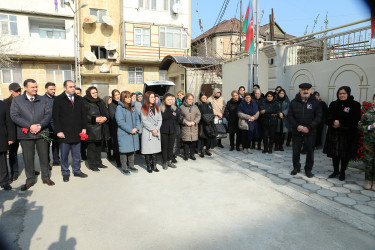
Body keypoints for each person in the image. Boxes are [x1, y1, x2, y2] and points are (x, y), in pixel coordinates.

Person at [10, 79, 55, 191]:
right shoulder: (17, 101)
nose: (35, 89)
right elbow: (14, 116)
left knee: (44, 157)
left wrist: (39, 126)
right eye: (32, 87)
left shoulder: (43, 100)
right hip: (26, 135)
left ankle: (46, 177)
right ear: (25, 88)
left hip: (42, 133)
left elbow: (48, 115)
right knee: (28, 158)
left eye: (36, 87)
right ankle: (30, 180)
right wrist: (30, 126)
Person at [53, 80, 88, 182]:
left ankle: (77, 171)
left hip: (77, 132)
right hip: (64, 133)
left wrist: (84, 128)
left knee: (76, 155)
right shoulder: (59, 99)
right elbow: (56, 117)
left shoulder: (79, 99)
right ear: (65, 88)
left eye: (74, 86)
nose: (73, 88)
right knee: (64, 155)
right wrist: (58, 131)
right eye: (70, 87)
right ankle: (65, 172)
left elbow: (83, 115)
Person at [324, 86, 361, 181]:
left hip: (347, 134)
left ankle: (342, 172)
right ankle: (335, 171)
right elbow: (327, 116)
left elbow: (355, 119)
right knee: (335, 154)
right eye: (340, 93)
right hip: (334, 134)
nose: (342, 95)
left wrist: (341, 124)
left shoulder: (355, 105)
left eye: (344, 93)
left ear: (348, 94)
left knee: (345, 155)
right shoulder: (333, 104)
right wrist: (333, 122)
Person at [288, 83, 322, 178]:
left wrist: (309, 127)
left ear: (310, 90)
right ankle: (296, 167)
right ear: (300, 90)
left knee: (310, 152)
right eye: (303, 89)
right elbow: (290, 116)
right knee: (296, 151)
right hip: (297, 131)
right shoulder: (294, 102)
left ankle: (308, 169)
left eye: (307, 89)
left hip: (310, 132)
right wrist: (297, 126)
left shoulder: (315, 102)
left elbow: (319, 117)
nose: (305, 91)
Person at [83, 86, 110, 172]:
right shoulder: (84, 101)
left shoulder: (100, 101)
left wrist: (105, 118)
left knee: (99, 147)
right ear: (89, 94)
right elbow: (83, 116)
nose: (95, 94)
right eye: (93, 93)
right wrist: (94, 119)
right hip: (91, 129)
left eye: (96, 92)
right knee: (91, 148)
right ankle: (92, 165)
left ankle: (99, 163)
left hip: (101, 128)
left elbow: (106, 112)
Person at [115, 91, 140, 175]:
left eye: (130, 97)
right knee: (124, 151)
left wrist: (137, 127)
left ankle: (131, 165)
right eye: (127, 97)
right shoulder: (119, 108)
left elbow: (137, 118)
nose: (129, 99)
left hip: (133, 132)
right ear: (123, 98)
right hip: (124, 133)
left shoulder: (133, 107)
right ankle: (124, 167)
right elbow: (120, 121)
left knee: (132, 151)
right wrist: (130, 129)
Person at [140, 91, 162, 173]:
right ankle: (149, 166)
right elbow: (144, 121)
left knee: (154, 150)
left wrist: (156, 129)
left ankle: (154, 165)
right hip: (148, 132)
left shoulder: (157, 108)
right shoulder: (143, 108)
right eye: (152, 97)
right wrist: (153, 129)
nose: (154, 99)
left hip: (156, 131)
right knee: (148, 151)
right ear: (147, 98)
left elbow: (160, 119)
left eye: (154, 97)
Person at [4, 82, 22, 181]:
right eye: (17, 91)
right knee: (13, 153)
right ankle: (14, 171)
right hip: (13, 132)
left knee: (28, 152)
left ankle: (30, 169)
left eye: (20, 90)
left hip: (24, 131)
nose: (19, 93)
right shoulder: (6, 103)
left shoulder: (24, 100)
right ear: (11, 91)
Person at [358, 94, 375, 190]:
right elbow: (360, 126)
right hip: (369, 142)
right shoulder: (368, 113)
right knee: (368, 161)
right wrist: (370, 127)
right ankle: (368, 180)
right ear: (373, 100)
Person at [160, 93, 180, 169]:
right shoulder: (161, 108)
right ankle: (164, 162)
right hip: (164, 130)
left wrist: (175, 125)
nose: (170, 101)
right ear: (164, 100)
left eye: (171, 99)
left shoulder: (175, 108)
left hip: (173, 130)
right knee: (164, 147)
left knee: (171, 147)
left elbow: (178, 118)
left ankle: (170, 161)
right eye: (168, 99)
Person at [0, 99, 16, 190]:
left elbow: (9, 122)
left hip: (1, 137)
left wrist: (11, 137)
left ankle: (4, 181)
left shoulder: (3, 105)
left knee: (2, 161)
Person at [180, 93, 201, 160]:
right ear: (186, 99)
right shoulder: (181, 107)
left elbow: (199, 115)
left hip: (194, 127)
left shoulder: (195, 107)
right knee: (186, 143)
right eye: (189, 99)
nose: (190, 100)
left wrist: (194, 122)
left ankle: (192, 155)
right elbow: (180, 117)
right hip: (185, 127)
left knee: (193, 143)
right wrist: (186, 122)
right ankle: (186, 155)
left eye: (192, 99)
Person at [44, 82, 60, 168]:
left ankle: (56, 160)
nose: (53, 91)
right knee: (45, 146)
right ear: (46, 89)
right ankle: (46, 163)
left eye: (54, 89)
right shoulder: (42, 99)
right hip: (46, 127)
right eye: (51, 89)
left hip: (56, 126)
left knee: (56, 144)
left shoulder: (57, 99)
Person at [197, 92, 216, 157]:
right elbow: (198, 114)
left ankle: (207, 149)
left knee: (209, 137)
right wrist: (204, 118)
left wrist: (210, 119)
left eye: (205, 97)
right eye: (203, 98)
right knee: (202, 137)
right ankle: (201, 150)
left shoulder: (209, 104)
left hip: (209, 123)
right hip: (202, 123)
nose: (204, 99)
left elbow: (211, 112)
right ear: (200, 98)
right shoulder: (198, 104)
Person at [108, 89, 121, 168]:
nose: (117, 96)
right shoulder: (111, 104)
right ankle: (118, 161)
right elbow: (112, 116)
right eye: (115, 95)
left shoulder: (122, 103)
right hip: (115, 127)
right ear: (113, 96)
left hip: (122, 127)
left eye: (118, 94)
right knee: (116, 144)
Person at [172, 95, 182, 162]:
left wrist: (178, 119)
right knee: (172, 143)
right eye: (170, 99)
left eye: (173, 99)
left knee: (176, 142)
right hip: (170, 128)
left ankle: (174, 154)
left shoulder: (178, 108)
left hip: (177, 127)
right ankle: (171, 156)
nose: (172, 101)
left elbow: (180, 117)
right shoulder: (166, 108)